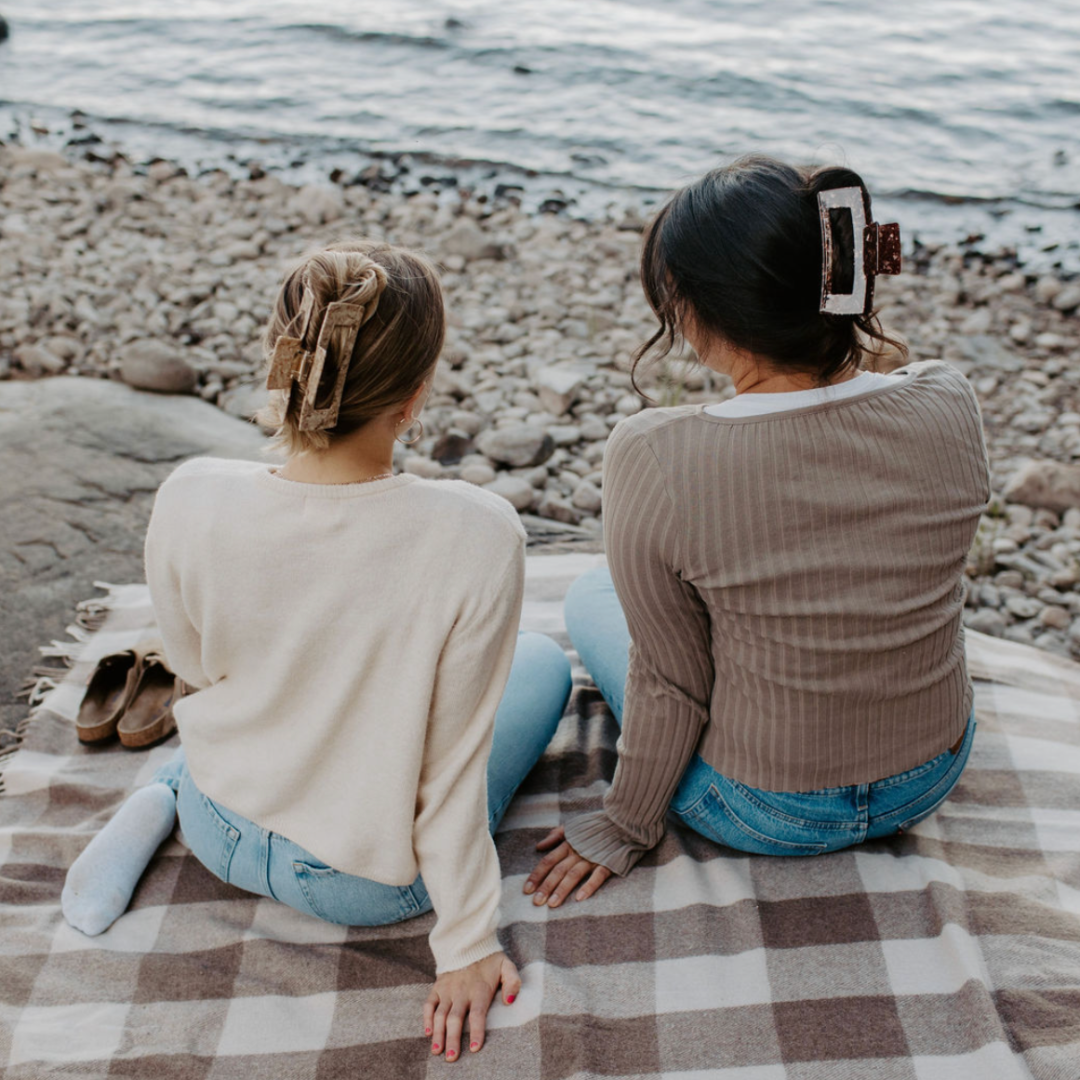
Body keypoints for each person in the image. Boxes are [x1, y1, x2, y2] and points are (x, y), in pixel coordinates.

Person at [61, 240, 573, 1062]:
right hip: (364, 886)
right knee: (541, 665)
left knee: (257, 697)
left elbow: (195, 673)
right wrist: (467, 944)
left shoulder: (191, 492)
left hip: (217, 820)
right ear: (415, 397)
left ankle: (158, 796)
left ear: (283, 362)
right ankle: (167, 792)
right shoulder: (478, 532)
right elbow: (447, 776)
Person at [525, 155, 990, 909]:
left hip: (766, 811)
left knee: (592, 594)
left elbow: (671, 682)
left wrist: (626, 823)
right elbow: (881, 366)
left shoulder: (653, 453)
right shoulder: (948, 399)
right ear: (842, 285)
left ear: (696, 311)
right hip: (931, 773)